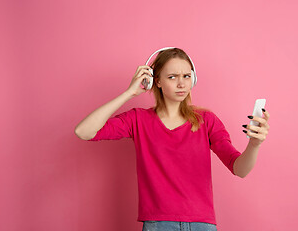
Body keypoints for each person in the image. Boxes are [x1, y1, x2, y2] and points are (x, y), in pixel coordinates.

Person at [74, 47, 270, 231]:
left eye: (186, 76)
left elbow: (240, 169)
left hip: (202, 225)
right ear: (156, 81)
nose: (181, 83)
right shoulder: (137, 119)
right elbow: (84, 131)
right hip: (158, 224)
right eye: (172, 77)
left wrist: (254, 144)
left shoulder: (207, 121)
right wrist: (129, 93)